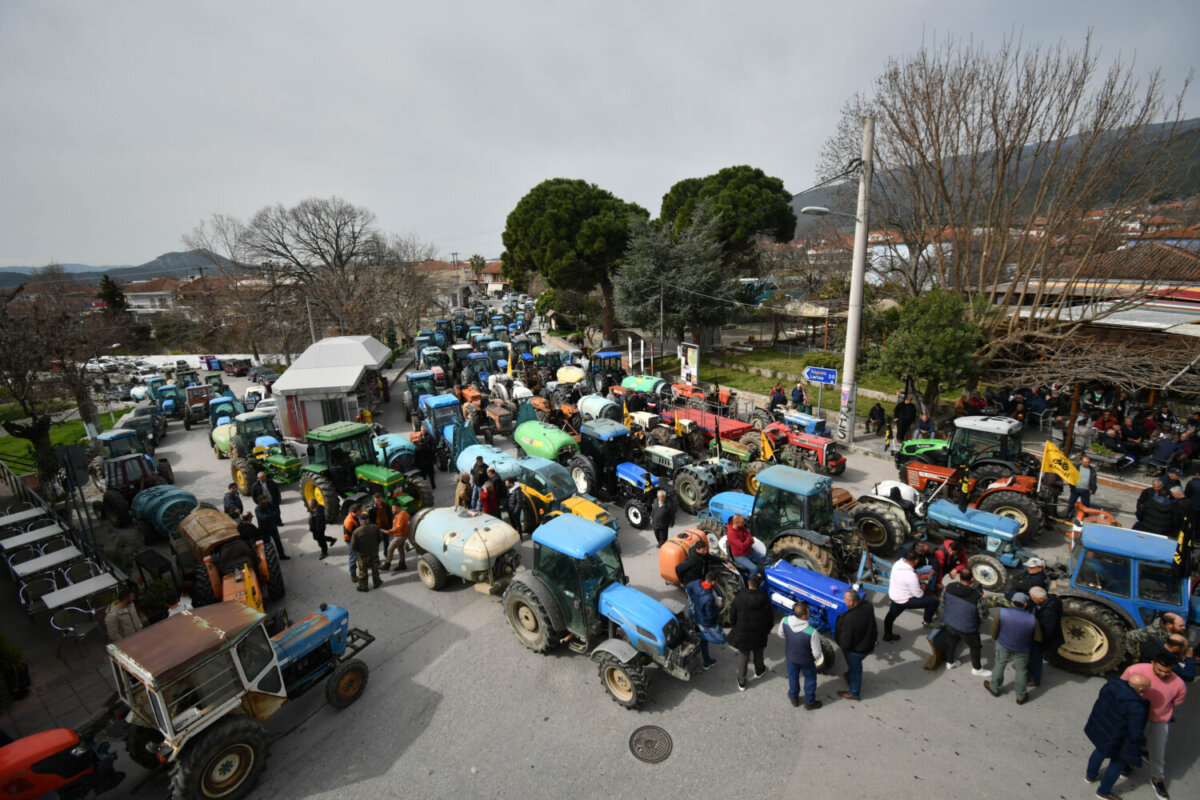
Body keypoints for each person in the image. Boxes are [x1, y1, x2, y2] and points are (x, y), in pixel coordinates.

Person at [1122, 651, 1186, 799]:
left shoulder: (1179, 684)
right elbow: (1122, 687)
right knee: (1130, 742)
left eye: (1167, 672)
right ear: (1152, 663)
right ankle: (1128, 763)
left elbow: (1176, 702)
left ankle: (1157, 778)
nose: (1163, 674)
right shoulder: (1134, 670)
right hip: (1135, 716)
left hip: (1159, 720)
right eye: (1160, 670)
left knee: (1158, 751)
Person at [1084, 672, 1151, 800]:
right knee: (1117, 764)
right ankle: (1104, 791)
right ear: (1140, 689)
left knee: (1099, 751)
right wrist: (1142, 742)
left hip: (1106, 729)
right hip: (1122, 738)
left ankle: (1090, 776)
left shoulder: (1111, 686)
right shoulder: (1137, 706)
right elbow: (1135, 732)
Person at [985, 592, 1042, 705]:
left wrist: (996, 639)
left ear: (1012, 602)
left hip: (1003, 644)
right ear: (1025, 605)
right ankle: (1021, 696)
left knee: (999, 665)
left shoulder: (1002, 613)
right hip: (1022, 648)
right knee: (1021, 671)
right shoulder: (1032, 619)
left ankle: (994, 687)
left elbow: (994, 630)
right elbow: (1038, 638)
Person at [728, 574, 774, 691]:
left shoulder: (739, 597)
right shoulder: (765, 599)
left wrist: (734, 625)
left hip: (742, 632)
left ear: (749, 583)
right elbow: (770, 617)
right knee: (758, 652)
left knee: (744, 656)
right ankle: (759, 671)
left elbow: (732, 615)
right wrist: (768, 628)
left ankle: (742, 681)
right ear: (759, 586)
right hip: (759, 632)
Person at [941, 568, 990, 677]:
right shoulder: (977, 596)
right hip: (967, 628)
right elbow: (984, 615)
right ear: (972, 579)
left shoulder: (949, 587)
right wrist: (984, 600)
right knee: (975, 646)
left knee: (951, 642)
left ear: (959, 576)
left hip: (950, 622)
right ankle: (977, 668)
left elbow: (942, 604)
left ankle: (950, 662)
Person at [882, 550, 938, 641]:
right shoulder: (911, 576)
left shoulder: (897, 564)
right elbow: (918, 595)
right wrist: (924, 585)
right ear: (916, 561)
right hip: (906, 600)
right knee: (933, 601)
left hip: (894, 596)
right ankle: (927, 621)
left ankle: (887, 635)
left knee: (890, 616)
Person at [834, 589, 877, 701]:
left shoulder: (850, 618)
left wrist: (843, 647)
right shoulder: (868, 606)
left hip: (856, 651)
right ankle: (849, 675)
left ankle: (854, 693)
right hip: (869, 644)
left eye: (845, 599)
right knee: (853, 668)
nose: (844, 600)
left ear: (852, 602)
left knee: (856, 672)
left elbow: (846, 641)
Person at [779, 601, 823, 709]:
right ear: (804, 616)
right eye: (808, 611)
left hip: (791, 657)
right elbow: (817, 653)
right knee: (810, 680)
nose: (809, 612)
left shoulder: (785, 621)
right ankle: (810, 702)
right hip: (806, 660)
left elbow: (781, 634)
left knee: (793, 676)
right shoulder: (812, 632)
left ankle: (794, 697)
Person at [1027, 586, 1063, 688]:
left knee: (1036, 658)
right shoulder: (1052, 600)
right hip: (1041, 635)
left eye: (1033, 598)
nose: (1031, 600)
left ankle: (1034, 678)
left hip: (1040, 639)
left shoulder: (1049, 612)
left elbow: (1046, 630)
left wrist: (1036, 638)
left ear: (1041, 599)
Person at [691, 571, 722, 670]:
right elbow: (710, 615)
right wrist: (718, 607)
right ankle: (706, 662)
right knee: (704, 642)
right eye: (716, 581)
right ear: (713, 582)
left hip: (696, 616)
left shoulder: (697, 586)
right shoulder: (709, 598)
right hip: (703, 622)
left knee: (697, 637)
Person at [350, 511, 383, 592]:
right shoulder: (375, 527)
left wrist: (359, 550)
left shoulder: (356, 532)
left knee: (363, 570)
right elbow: (380, 538)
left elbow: (353, 545)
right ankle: (377, 582)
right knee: (375, 568)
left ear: (360, 521)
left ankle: (363, 586)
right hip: (374, 552)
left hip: (363, 554)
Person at [254, 494, 288, 560]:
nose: (266, 500)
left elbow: (277, 512)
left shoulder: (270, 504)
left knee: (278, 541)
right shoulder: (258, 509)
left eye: (266, 498)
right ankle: (269, 558)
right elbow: (263, 518)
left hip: (273, 526)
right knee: (267, 544)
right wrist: (272, 515)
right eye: (264, 499)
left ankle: (282, 555)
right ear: (261, 501)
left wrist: (270, 516)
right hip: (265, 529)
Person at [381, 506, 411, 571]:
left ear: (398, 508)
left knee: (390, 548)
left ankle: (387, 564)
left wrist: (387, 531)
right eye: (392, 508)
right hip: (402, 534)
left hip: (400, 536)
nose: (392, 510)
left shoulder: (401, 516)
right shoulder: (403, 513)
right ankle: (402, 564)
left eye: (393, 508)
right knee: (400, 549)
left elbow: (398, 528)